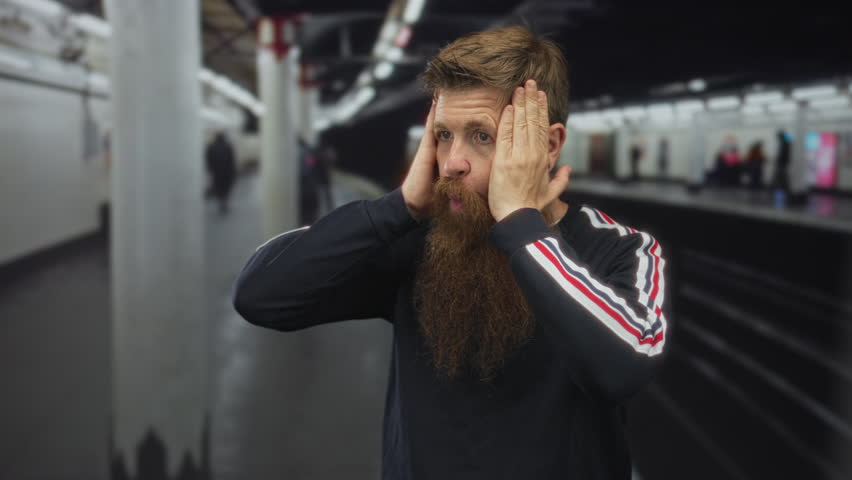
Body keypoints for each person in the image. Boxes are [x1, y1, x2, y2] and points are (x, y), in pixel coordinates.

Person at [233, 25, 669, 480]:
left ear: (550, 144)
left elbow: (623, 367)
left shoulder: (624, 249)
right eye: (444, 135)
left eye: (481, 136)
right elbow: (261, 295)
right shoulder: (421, 241)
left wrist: (522, 224)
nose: (453, 161)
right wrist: (397, 207)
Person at [205, 131, 237, 214]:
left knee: (218, 186)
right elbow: (232, 160)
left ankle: (221, 200)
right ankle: (224, 201)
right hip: (227, 171)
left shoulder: (211, 146)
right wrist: (233, 171)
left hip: (216, 172)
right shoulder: (228, 146)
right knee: (225, 188)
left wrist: (210, 170)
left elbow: (208, 160)